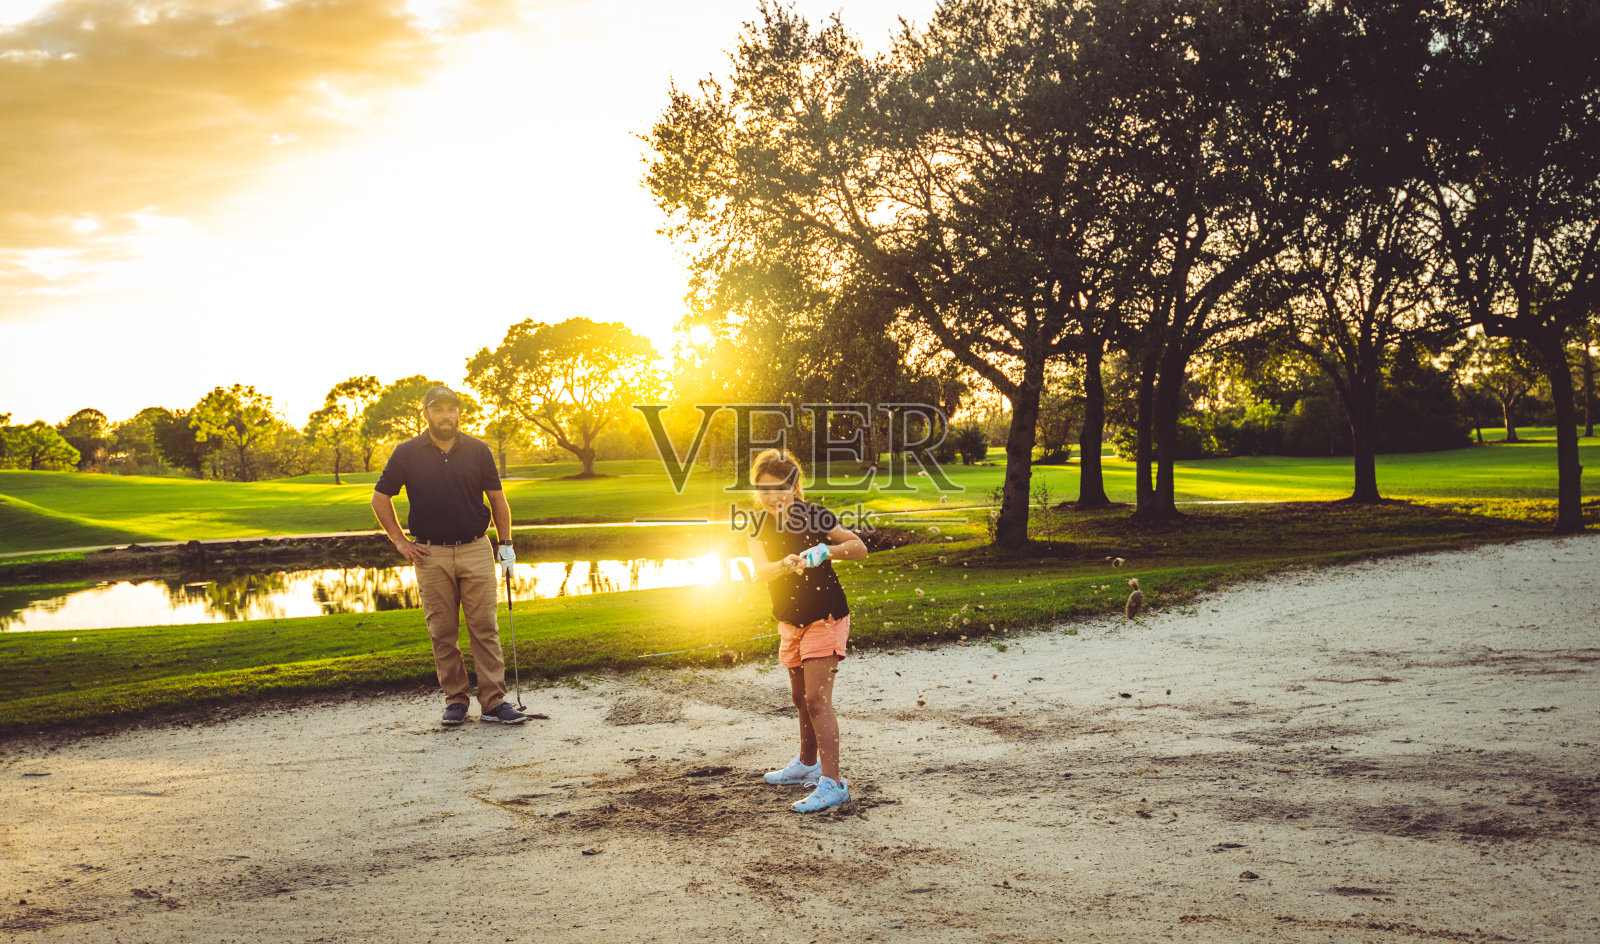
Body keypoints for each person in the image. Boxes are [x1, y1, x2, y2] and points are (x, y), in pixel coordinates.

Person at [370, 385, 526, 726]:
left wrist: (506, 544)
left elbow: (498, 500)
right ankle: (456, 700)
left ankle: (494, 702)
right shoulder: (407, 453)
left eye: (451, 409)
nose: (446, 415)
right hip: (430, 554)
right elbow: (380, 499)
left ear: (458, 413)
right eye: (438, 410)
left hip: (475, 548)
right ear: (426, 414)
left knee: (484, 628)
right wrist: (400, 542)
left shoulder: (478, 450)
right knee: (442, 631)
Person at [745, 448, 868, 813]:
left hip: (825, 615)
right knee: (800, 698)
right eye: (765, 489)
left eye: (781, 487)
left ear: (795, 484)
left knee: (816, 700)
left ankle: (833, 784)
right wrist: (782, 563)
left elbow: (858, 547)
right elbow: (759, 568)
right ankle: (807, 765)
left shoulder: (813, 514)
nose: (773, 497)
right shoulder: (756, 523)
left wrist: (824, 552)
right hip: (789, 620)